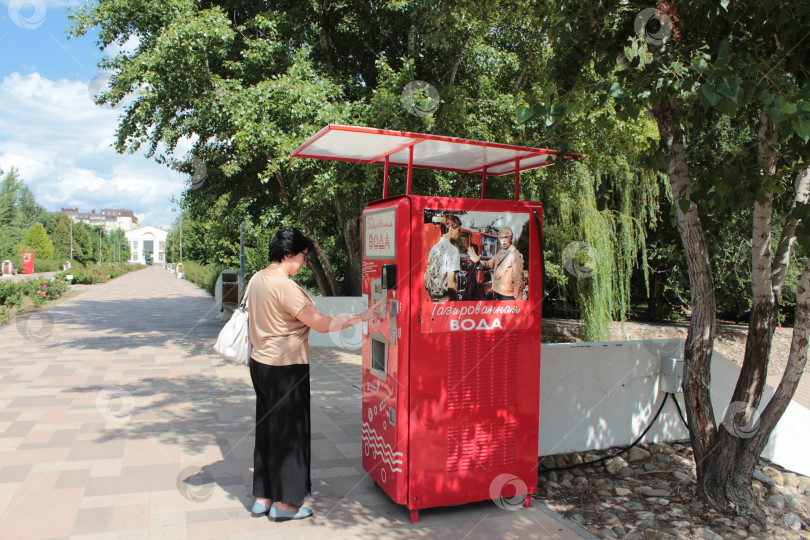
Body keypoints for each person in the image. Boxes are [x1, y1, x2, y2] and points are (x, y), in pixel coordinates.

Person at [247, 226, 381, 521]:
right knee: (290, 435)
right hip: (286, 367)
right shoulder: (285, 287)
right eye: (303, 256)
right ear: (287, 254)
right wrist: (361, 317)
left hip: (260, 363)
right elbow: (321, 324)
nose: (305, 262)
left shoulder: (257, 278)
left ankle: (263, 497)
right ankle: (285, 506)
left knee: (267, 432)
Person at [467, 225, 524, 300]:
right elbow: (489, 264)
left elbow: (519, 279)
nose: (503, 240)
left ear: (511, 238)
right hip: (498, 292)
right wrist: (478, 261)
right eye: (501, 237)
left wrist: (518, 300)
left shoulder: (515, 254)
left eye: (506, 237)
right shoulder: (500, 253)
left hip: (509, 295)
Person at [424, 214, 462, 301]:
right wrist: (457, 300)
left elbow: (426, 277)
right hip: (447, 302)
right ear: (451, 229)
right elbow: (451, 284)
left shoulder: (433, 249)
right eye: (458, 230)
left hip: (433, 300)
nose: (459, 234)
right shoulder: (453, 250)